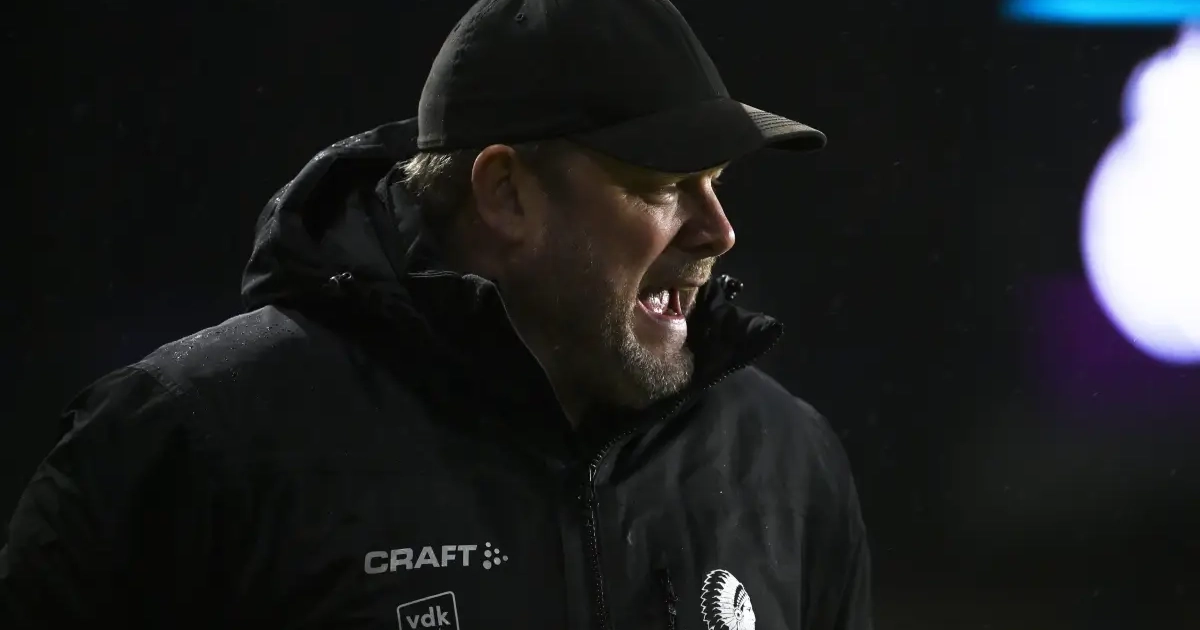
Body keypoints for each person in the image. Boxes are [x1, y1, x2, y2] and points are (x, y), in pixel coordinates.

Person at [1, 0, 872, 628]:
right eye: (664, 184)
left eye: (717, 182)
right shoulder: (194, 441)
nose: (719, 231)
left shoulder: (787, 463)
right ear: (505, 192)